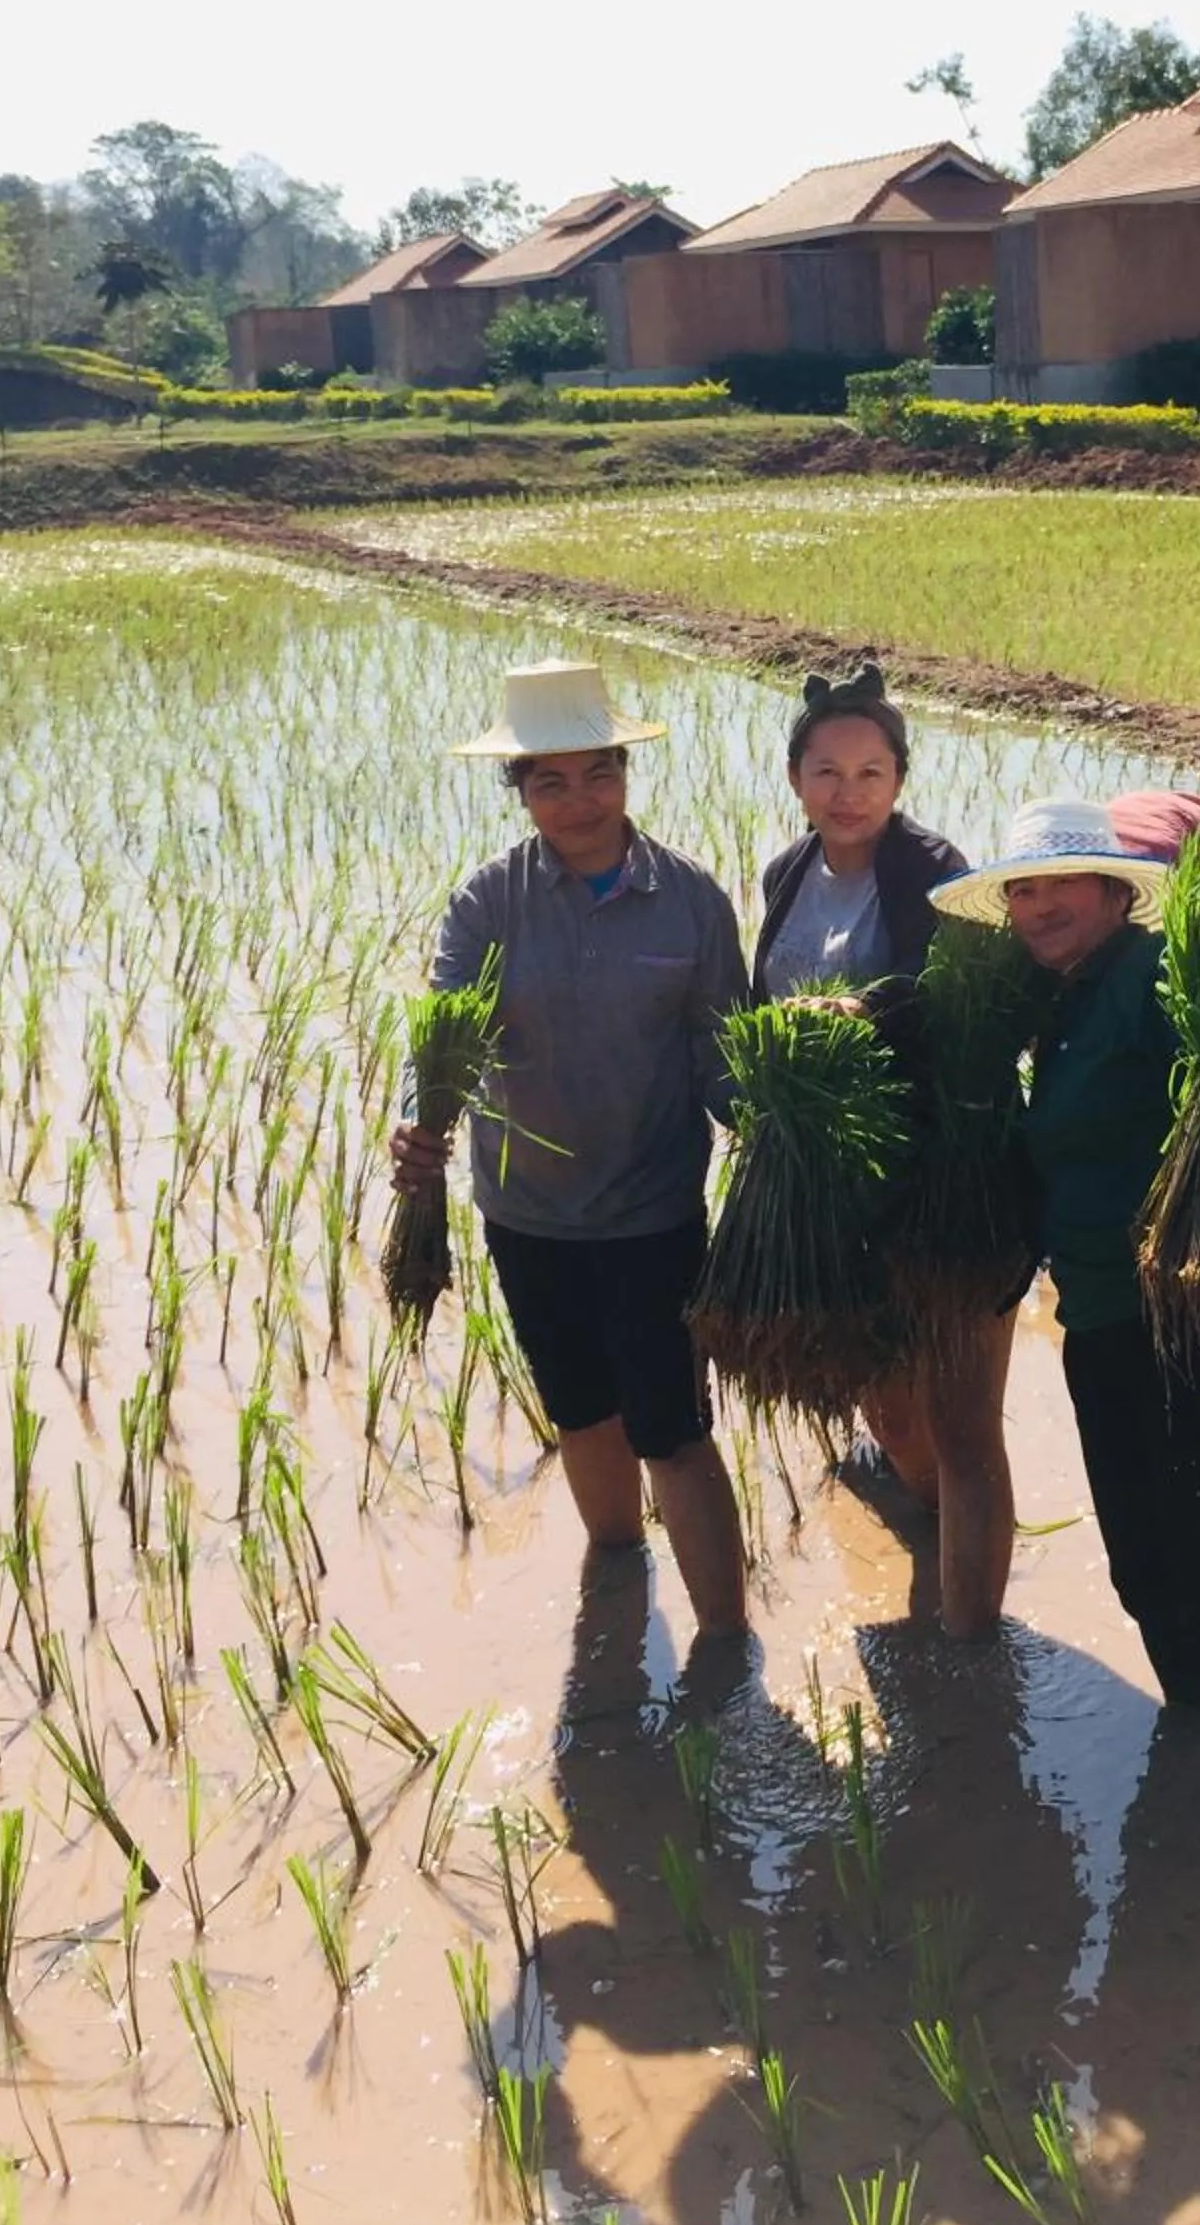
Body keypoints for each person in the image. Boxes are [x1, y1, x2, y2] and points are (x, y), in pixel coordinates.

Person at [932, 800, 1200, 1808]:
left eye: (1062, 883)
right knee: (1143, 1561)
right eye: (1023, 889)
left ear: (1113, 893)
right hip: (1101, 1312)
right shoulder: (1059, 1001)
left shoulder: (1152, 976)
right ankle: (1191, 1750)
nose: (1039, 903)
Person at [388, 659, 748, 1638]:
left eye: (598, 774)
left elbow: (722, 1056)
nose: (579, 800)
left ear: (626, 775)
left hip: (653, 1214)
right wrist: (423, 1126)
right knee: (584, 1415)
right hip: (531, 1217)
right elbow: (444, 1037)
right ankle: (618, 1593)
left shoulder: (691, 903)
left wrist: (771, 1126)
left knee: (674, 1430)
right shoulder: (486, 905)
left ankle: (725, 1650)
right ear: (522, 792)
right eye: (550, 780)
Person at [750, 664, 1014, 1643]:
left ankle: (969, 1631)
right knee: (880, 1395)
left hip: (930, 1175)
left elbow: (967, 1003)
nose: (847, 792)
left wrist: (868, 1013)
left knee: (957, 1418)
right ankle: (926, 1534)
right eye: (827, 771)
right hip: (825, 1185)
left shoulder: (938, 875)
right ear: (794, 777)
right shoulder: (787, 873)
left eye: (870, 771)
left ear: (898, 780)